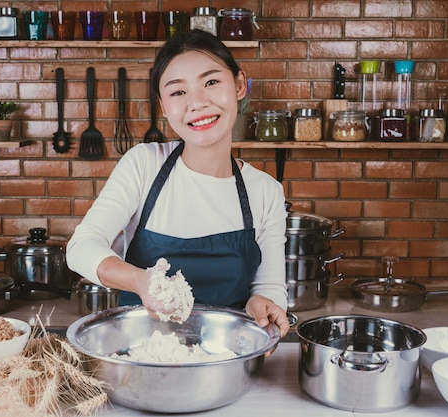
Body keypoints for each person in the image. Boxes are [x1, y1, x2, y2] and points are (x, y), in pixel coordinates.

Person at [66, 29, 289, 337]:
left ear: (239, 85)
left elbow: (268, 287)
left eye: (211, 82)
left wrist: (263, 304)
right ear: (163, 106)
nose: (197, 103)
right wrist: (140, 281)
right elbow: (80, 247)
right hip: (142, 352)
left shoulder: (265, 192)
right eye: (178, 92)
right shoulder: (144, 164)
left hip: (227, 356)